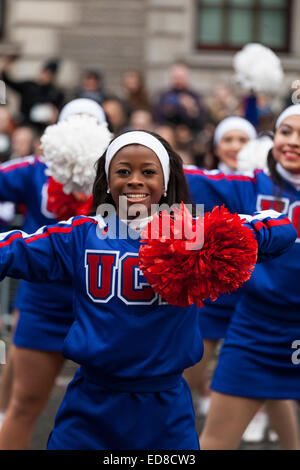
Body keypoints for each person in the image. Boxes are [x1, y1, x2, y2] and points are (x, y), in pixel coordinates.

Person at [0, 130, 296, 450]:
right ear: (106, 180)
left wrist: (221, 234)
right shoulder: (80, 235)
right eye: (123, 171)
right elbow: (13, 251)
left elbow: (282, 228)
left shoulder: (190, 231)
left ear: (166, 181)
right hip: (91, 402)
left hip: (164, 406)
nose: (135, 180)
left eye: (149, 172)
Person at [184, 104, 300, 450]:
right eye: (285, 132)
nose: (292, 142)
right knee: (215, 442)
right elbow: (188, 179)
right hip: (255, 329)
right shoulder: (250, 186)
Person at [0, 98, 111, 449]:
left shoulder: (120, 173)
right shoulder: (34, 170)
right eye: (73, 120)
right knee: (25, 404)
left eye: (90, 121)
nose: (81, 127)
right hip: (43, 303)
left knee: (106, 413)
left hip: (101, 305)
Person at [0, 55, 64, 128]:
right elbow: (10, 82)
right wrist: (6, 67)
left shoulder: (56, 93)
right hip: (25, 124)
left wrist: (55, 114)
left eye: (49, 74)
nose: (46, 76)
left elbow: (59, 109)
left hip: (43, 127)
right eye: (45, 73)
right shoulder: (29, 86)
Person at [154, 62, 208, 134]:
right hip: (170, 133)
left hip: (191, 135)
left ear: (187, 78)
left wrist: (192, 109)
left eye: (181, 78)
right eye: (176, 78)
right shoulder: (164, 96)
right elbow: (157, 119)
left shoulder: (195, 97)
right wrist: (168, 110)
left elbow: (202, 121)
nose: (178, 81)